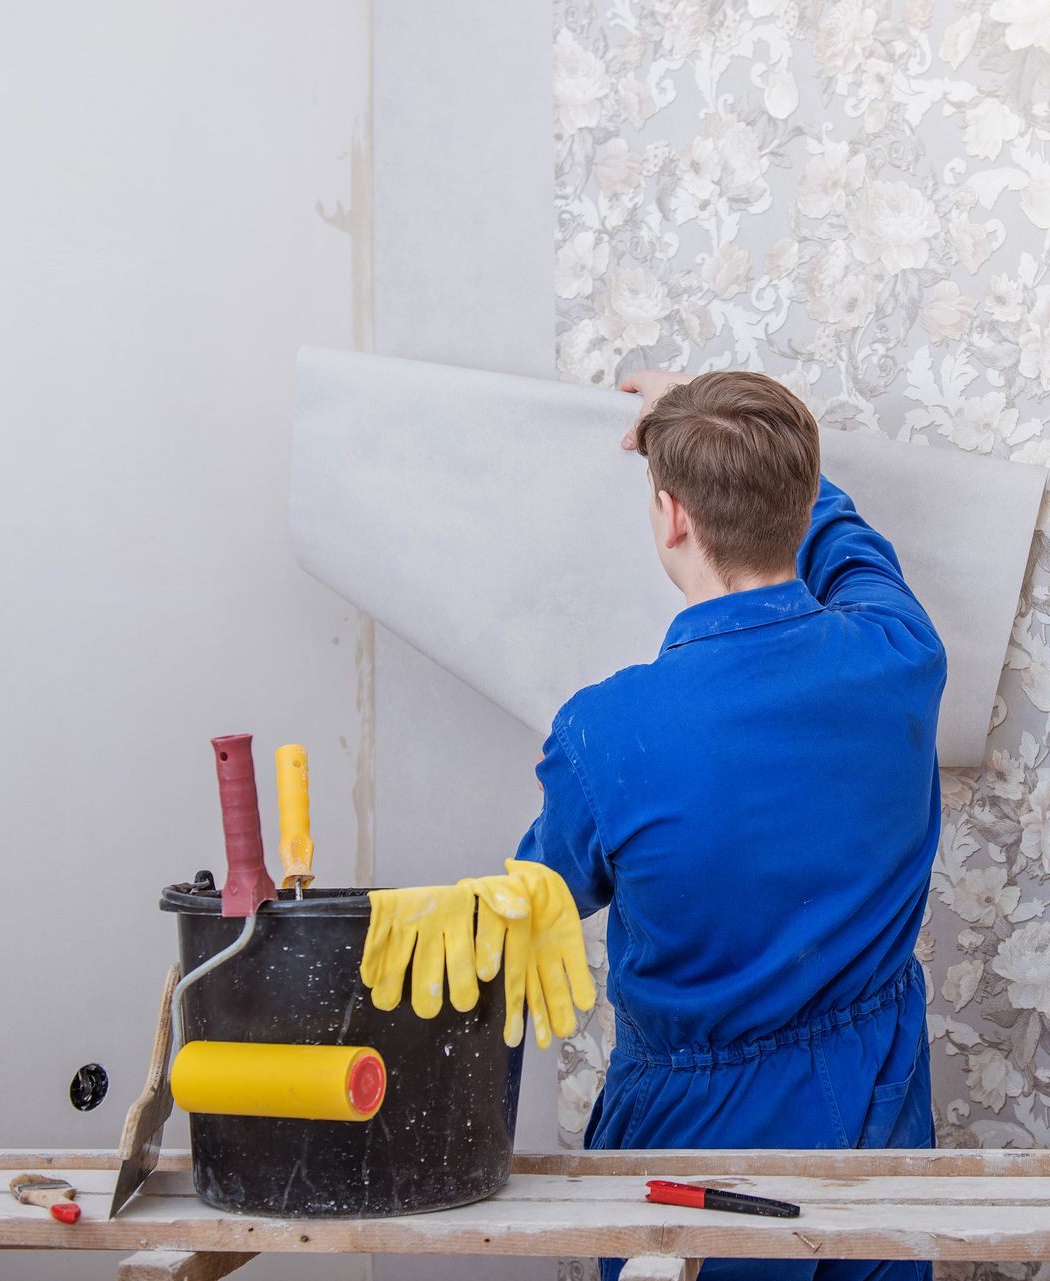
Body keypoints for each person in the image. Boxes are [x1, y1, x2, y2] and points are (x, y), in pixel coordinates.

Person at [362, 368, 944, 1281]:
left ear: (671, 516)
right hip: (882, 1106)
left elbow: (533, 900)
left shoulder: (607, 732)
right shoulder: (901, 650)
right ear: (802, 504)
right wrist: (745, 442)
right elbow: (851, 545)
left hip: (700, 1141)